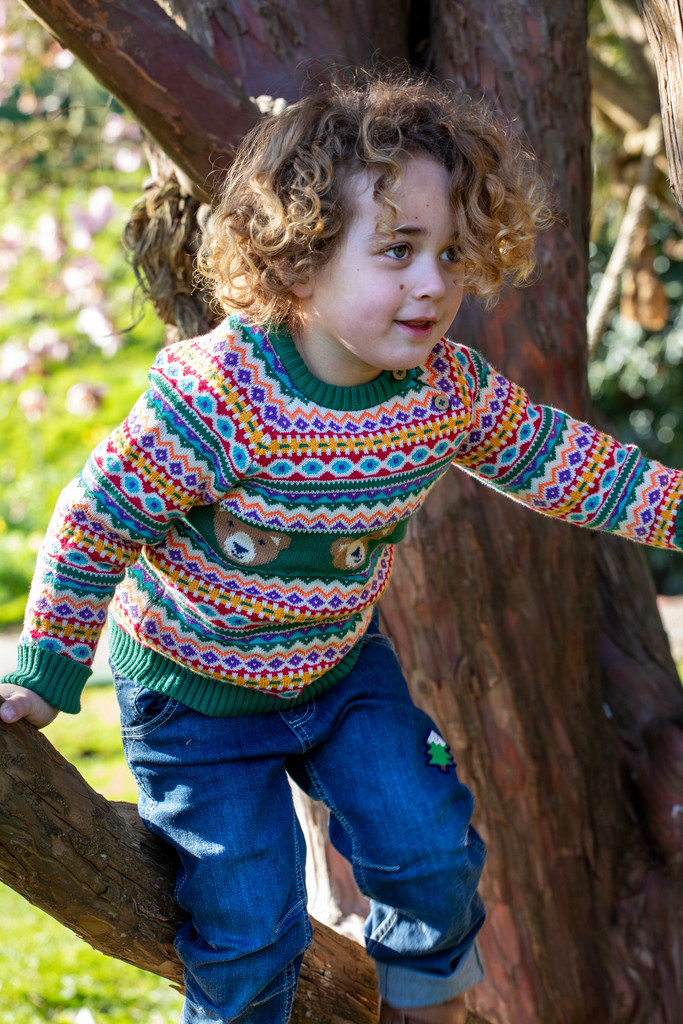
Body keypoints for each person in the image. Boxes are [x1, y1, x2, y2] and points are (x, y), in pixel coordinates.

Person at [1, 71, 682, 1024]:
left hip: (335, 671)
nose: (434, 283)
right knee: (244, 922)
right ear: (298, 258)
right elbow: (94, 521)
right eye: (398, 250)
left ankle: (417, 1002)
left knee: (431, 849)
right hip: (195, 693)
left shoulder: (447, 392)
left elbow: (565, 463)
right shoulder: (217, 395)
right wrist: (45, 668)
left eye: (450, 253)